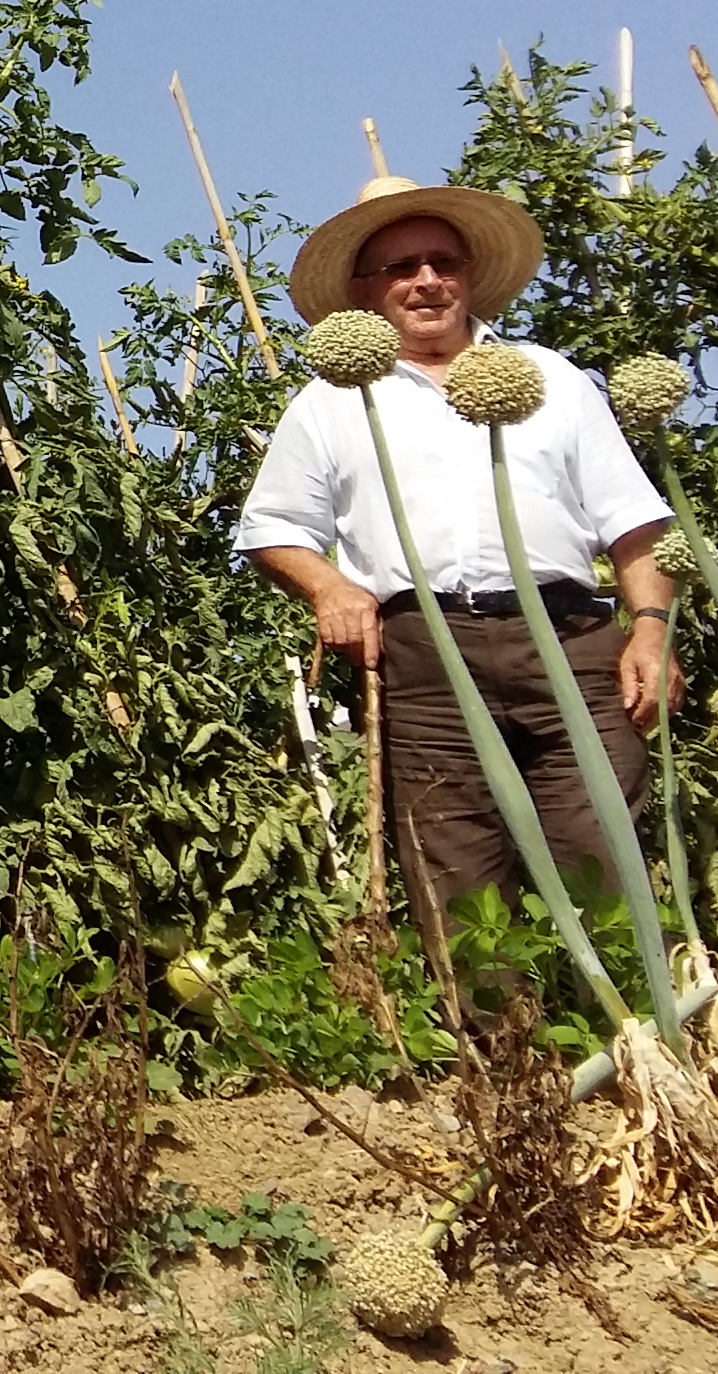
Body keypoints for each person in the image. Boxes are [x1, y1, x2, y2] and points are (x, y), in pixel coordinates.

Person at [236, 174, 679, 914]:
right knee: (455, 872)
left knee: (600, 853)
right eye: (402, 268)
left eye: (444, 262)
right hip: (424, 657)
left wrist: (653, 631)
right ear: (365, 288)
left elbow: (635, 521)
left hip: (569, 642)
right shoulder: (331, 401)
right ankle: (495, 1032)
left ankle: (636, 1022)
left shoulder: (552, 379)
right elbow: (272, 529)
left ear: (470, 275)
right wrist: (330, 587)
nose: (427, 281)